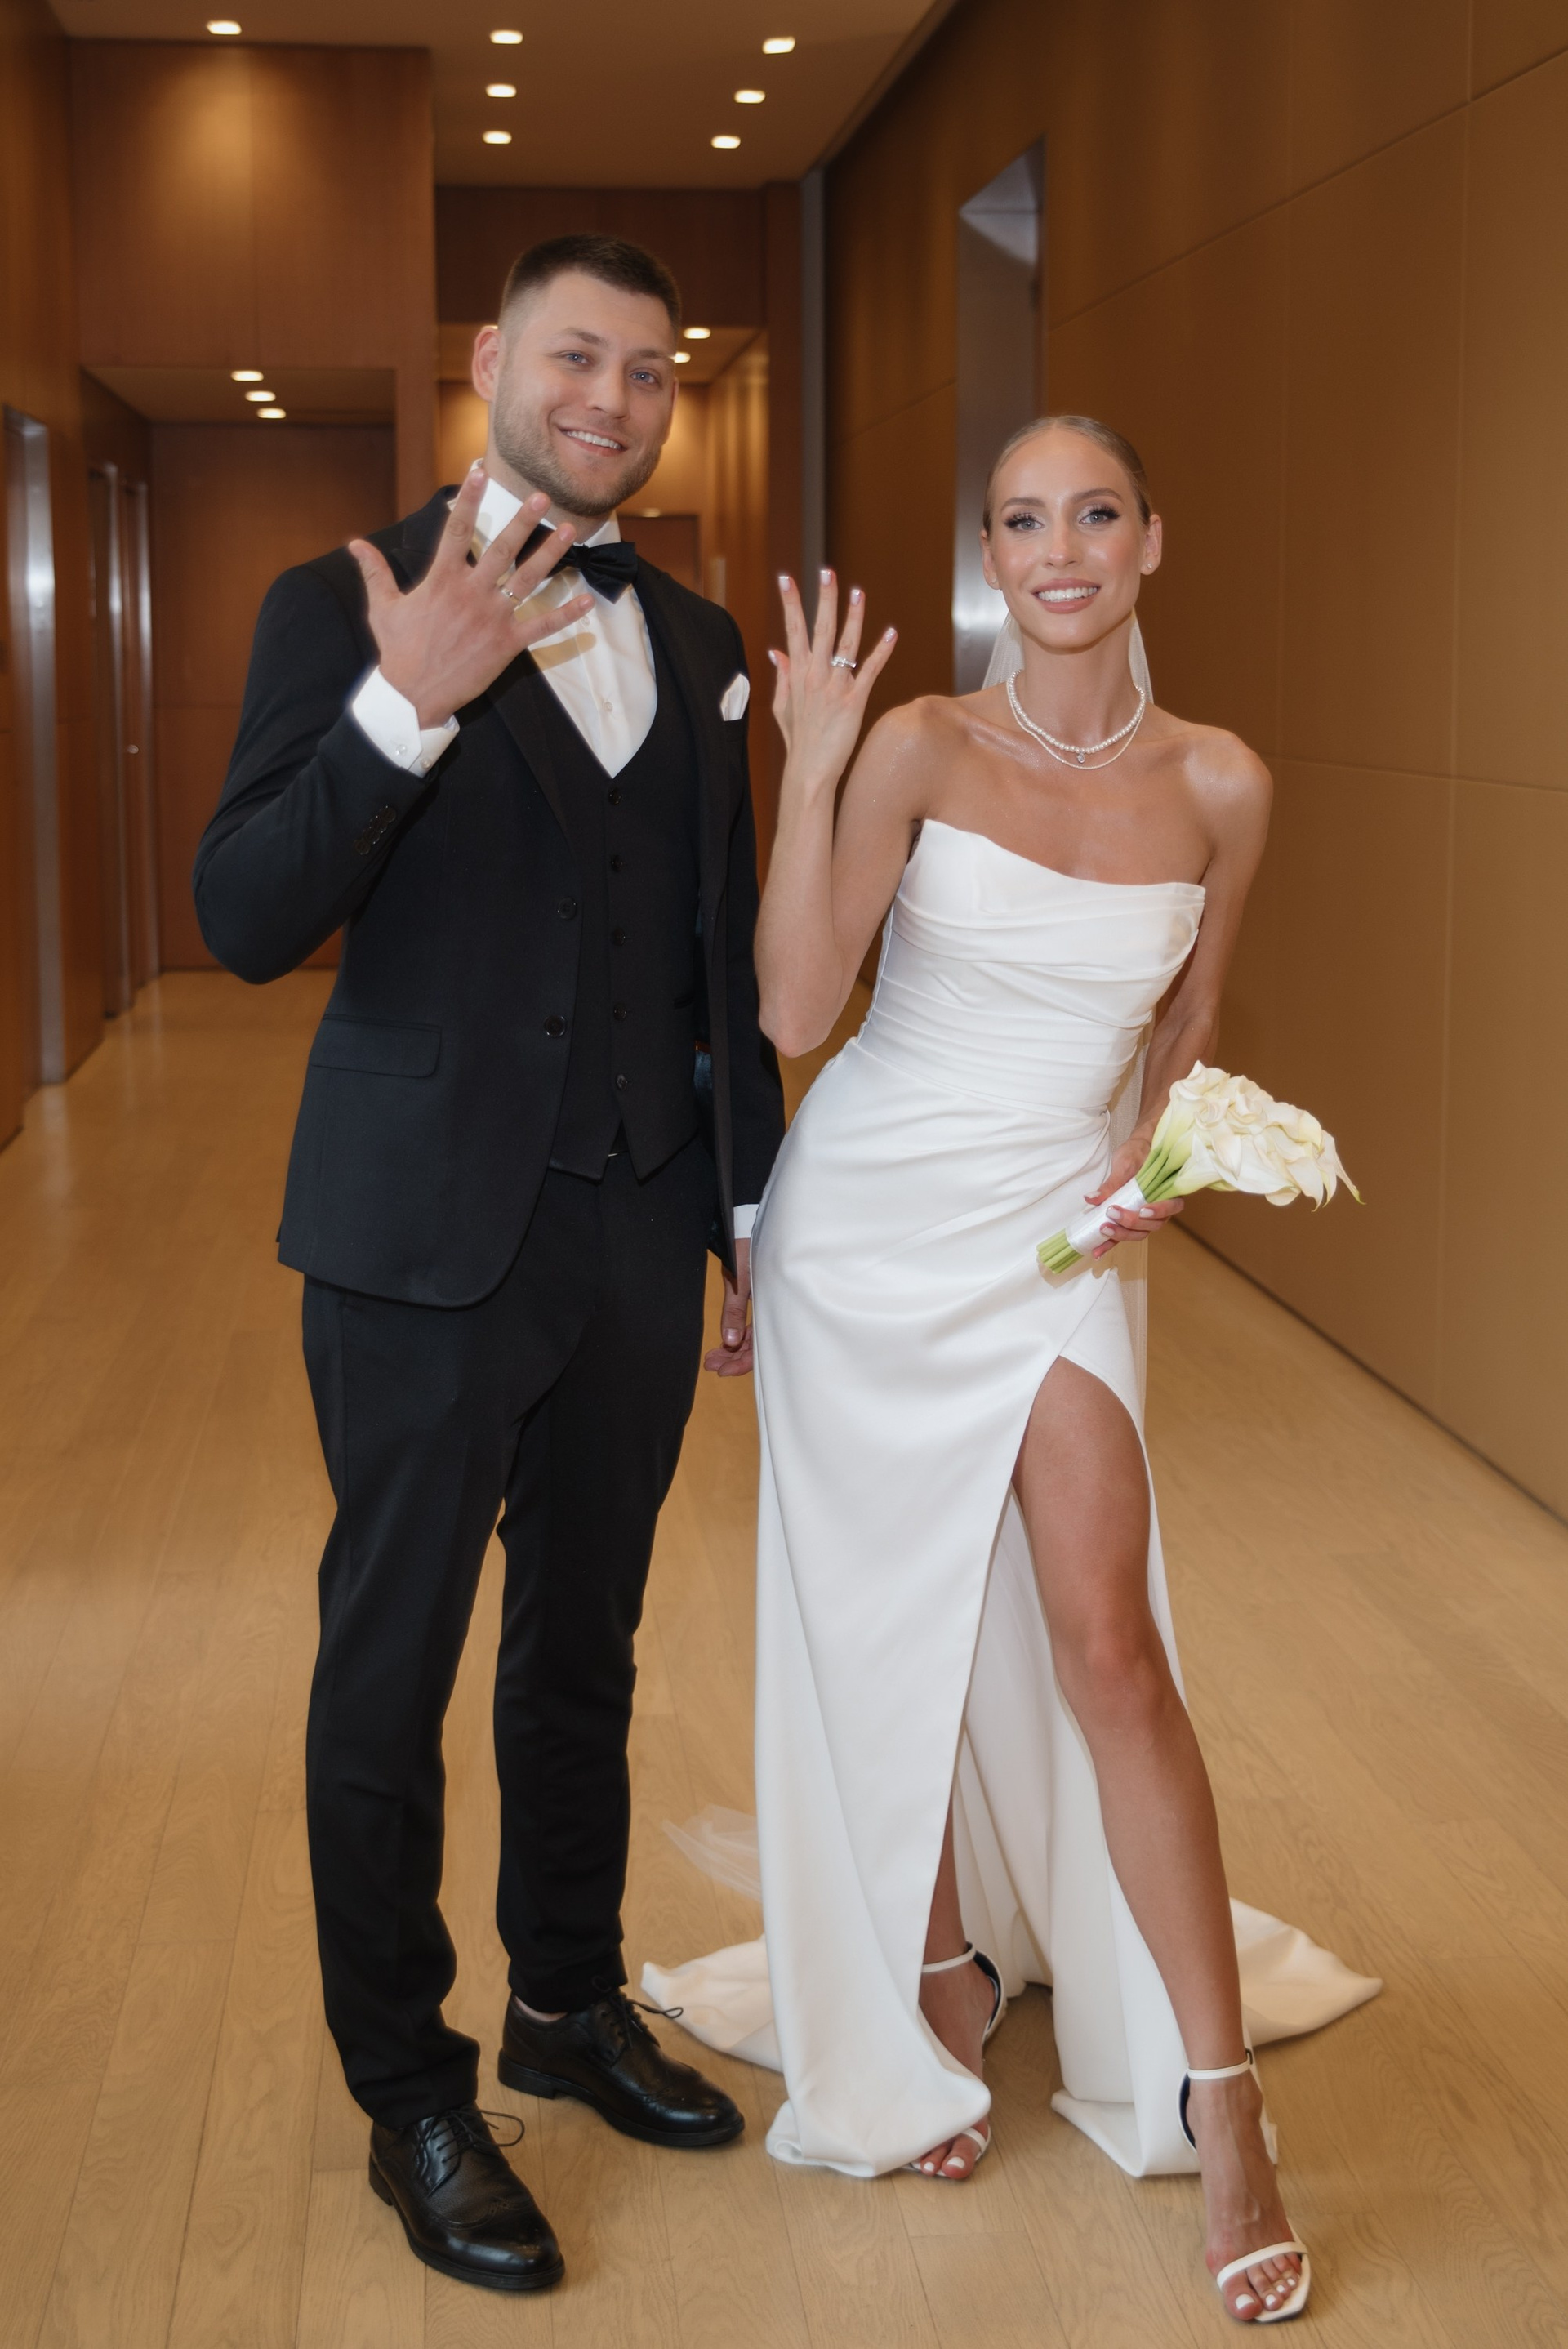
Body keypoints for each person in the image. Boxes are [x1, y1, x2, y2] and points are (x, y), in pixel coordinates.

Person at [679, 416, 1379, 2325]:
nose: (1059, 547)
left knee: (1110, 1643)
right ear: (991, 555)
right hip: (867, 1230)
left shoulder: (1223, 783)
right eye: (1021, 519)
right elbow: (795, 1007)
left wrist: (1162, 1165)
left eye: (1093, 514)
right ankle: (932, 1981)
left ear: (1150, 540)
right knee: (881, 1616)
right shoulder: (918, 745)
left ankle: (1219, 2101)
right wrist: (813, 761)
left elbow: (1190, 1023)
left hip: (1061, 1238)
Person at [193, 234, 784, 2296]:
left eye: (651, 370)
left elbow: (716, 951)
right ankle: (410, 2090)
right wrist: (402, 708)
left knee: (585, 1641)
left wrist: (746, 1214)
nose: (613, 399)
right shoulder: (338, 597)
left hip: (634, 1219)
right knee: (392, 1660)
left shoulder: (694, 633)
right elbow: (245, 912)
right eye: (576, 357)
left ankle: (565, 1996)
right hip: (417, 1236)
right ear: (491, 359)